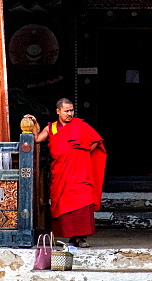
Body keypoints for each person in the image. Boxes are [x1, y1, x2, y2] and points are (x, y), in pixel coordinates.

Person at [34, 98, 106, 247]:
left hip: (80, 172)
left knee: (82, 204)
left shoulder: (80, 125)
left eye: (71, 110)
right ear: (58, 111)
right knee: (64, 205)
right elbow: (37, 139)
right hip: (61, 173)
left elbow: (96, 141)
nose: (70, 114)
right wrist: (34, 123)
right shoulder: (51, 128)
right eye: (66, 111)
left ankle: (81, 238)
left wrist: (84, 154)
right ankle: (71, 238)